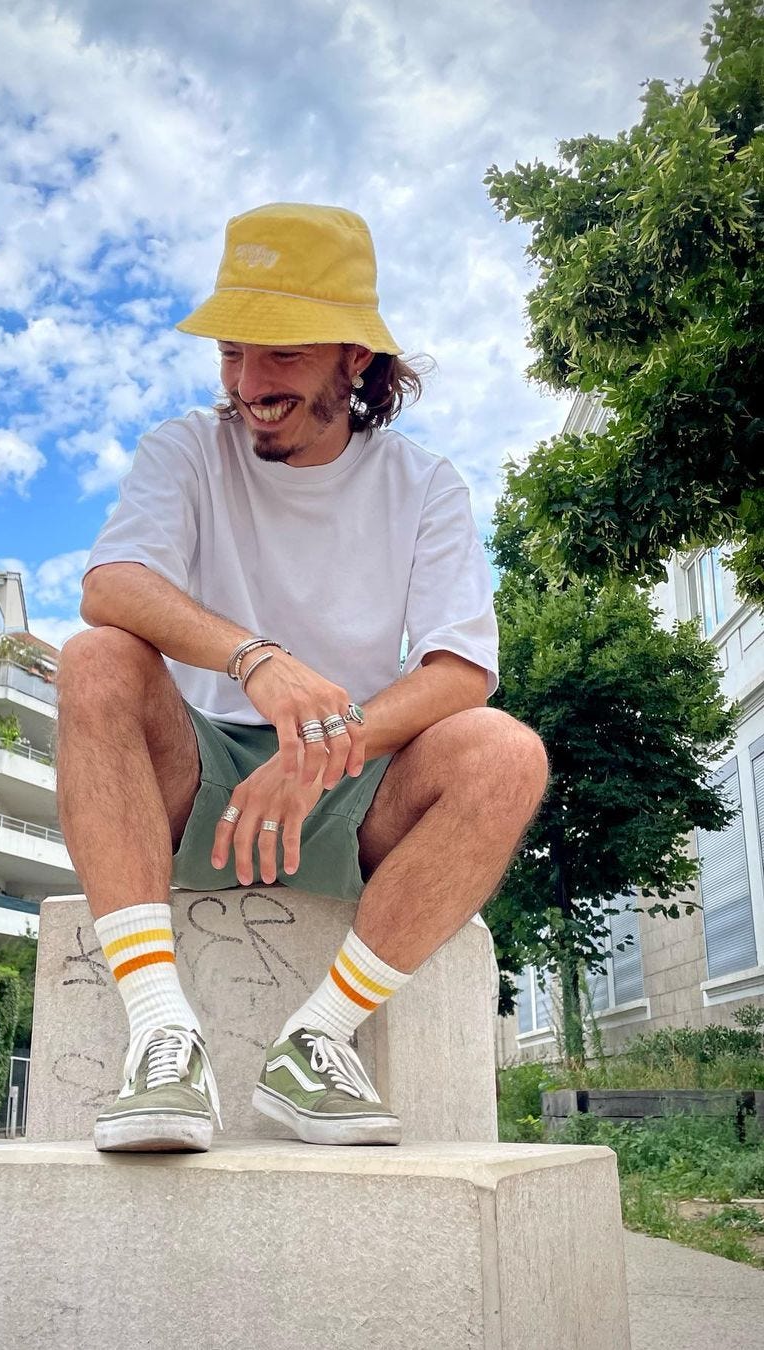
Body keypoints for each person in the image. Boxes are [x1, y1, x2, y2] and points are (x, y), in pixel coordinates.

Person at [57, 202, 548, 1152]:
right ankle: (162, 1034)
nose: (249, 384)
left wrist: (329, 745)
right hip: (186, 780)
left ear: (352, 359)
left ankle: (315, 1043)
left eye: (280, 355)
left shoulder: (425, 484)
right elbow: (112, 583)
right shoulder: (184, 449)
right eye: (233, 355)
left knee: (505, 753)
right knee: (98, 659)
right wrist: (258, 659)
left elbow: (462, 666)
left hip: (350, 796)